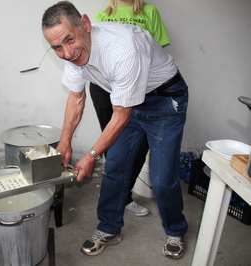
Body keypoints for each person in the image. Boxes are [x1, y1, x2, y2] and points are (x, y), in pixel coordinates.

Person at [41, 1, 188, 260]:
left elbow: (122, 115)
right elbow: (76, 99)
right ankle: (109, 228)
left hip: (164, 101)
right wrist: (64, 142)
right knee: (117, 167)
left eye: (69, 40)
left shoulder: (123, 49)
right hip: (129, 100)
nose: (66, 53)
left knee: (162, 178)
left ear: (85, 24)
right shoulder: (73, 52)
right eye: (57, 47)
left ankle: (175, 230)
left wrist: (91, 155)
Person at [90, 0, 171, 217]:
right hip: (103, 88)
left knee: (138, 146)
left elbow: (155, 50)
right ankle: (118, 197)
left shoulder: (149, 12)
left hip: (137, 86)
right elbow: (95, 51)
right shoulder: (103, 14)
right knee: (112, 144)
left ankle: (124, 196)